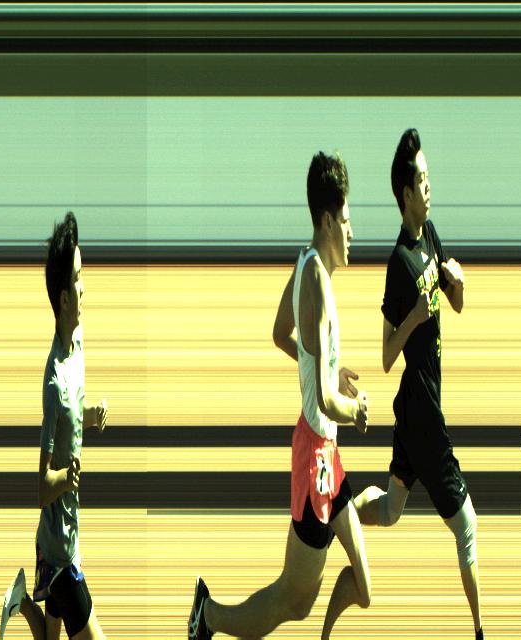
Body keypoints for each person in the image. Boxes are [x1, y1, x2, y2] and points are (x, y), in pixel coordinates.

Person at [190, 152, 384, 640]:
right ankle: (208, 616)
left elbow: (281, 333)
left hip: (326, 454)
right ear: (327, 221)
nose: (353, 232)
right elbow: (322, 402)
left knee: (364, 588)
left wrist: (328, 369)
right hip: (315, 458)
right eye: (346, 220)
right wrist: (355, 410)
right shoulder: (315, 281)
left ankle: (352, 516)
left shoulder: (305, 265)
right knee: (291, 601)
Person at [363, 129, 488, 637]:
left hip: (418, 406)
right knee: (468, 527)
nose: (429, 186)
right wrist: (414, 315)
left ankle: (337, 514)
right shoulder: (398, 262)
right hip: (423, 416)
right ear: (405, 193)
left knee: (391, 510)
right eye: (422, 180)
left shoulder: (431, 234)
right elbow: (385, 355)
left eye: (429, 177)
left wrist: (458, 282)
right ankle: (481, 632)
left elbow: (455, 305)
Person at [10, 213, 114, 639]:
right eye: (78, 277)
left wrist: (89, 415)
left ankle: (20, 600)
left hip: (68, 532)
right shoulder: (53, 381)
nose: (85, 286)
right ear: (64, 298)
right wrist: (66, 478)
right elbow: (40, 487)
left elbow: (73, 414)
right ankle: (22, 599)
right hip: (59, 552)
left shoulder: (79, 342)